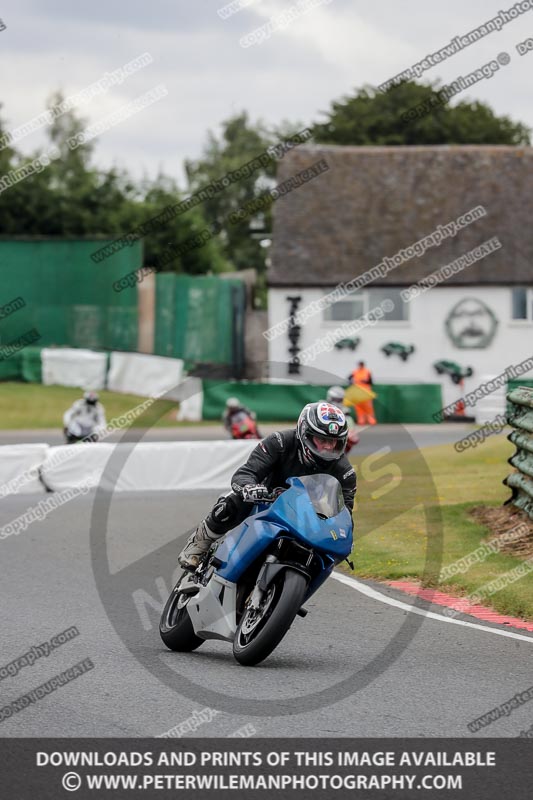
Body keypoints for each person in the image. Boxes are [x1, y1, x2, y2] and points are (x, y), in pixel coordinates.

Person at [178, 401, 357, 570]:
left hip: (305, 516)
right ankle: (200, 542)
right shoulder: (279, 442)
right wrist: (249, 488)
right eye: (321, 439)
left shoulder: (345, 471)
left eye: (333, 441)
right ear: (305, 433)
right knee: (230, 504)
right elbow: (245, 473)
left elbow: (344, 512)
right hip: (264, 501)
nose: (327, 447)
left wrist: (344, 535)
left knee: (325, 557)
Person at [326, 386, 359, 451]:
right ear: (330, 398)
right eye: (336, 400)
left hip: (339, 446)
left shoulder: (346, 414)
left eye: (339, 400)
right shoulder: (321, 408)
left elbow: (354, 439)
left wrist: (349, 436)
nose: (337, 402)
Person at [349, 361, 376, 426]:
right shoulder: (355, 372)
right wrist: (352, 383)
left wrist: (365, 381)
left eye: (361, 365)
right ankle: (361, 420)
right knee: (359, 407)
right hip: (358, 393)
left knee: (368, 407)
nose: (360, 366)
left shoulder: (367, 372)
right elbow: (349, 378)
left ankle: (371, 420)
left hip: (366, 392)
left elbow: (371, 382)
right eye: (360, 365)